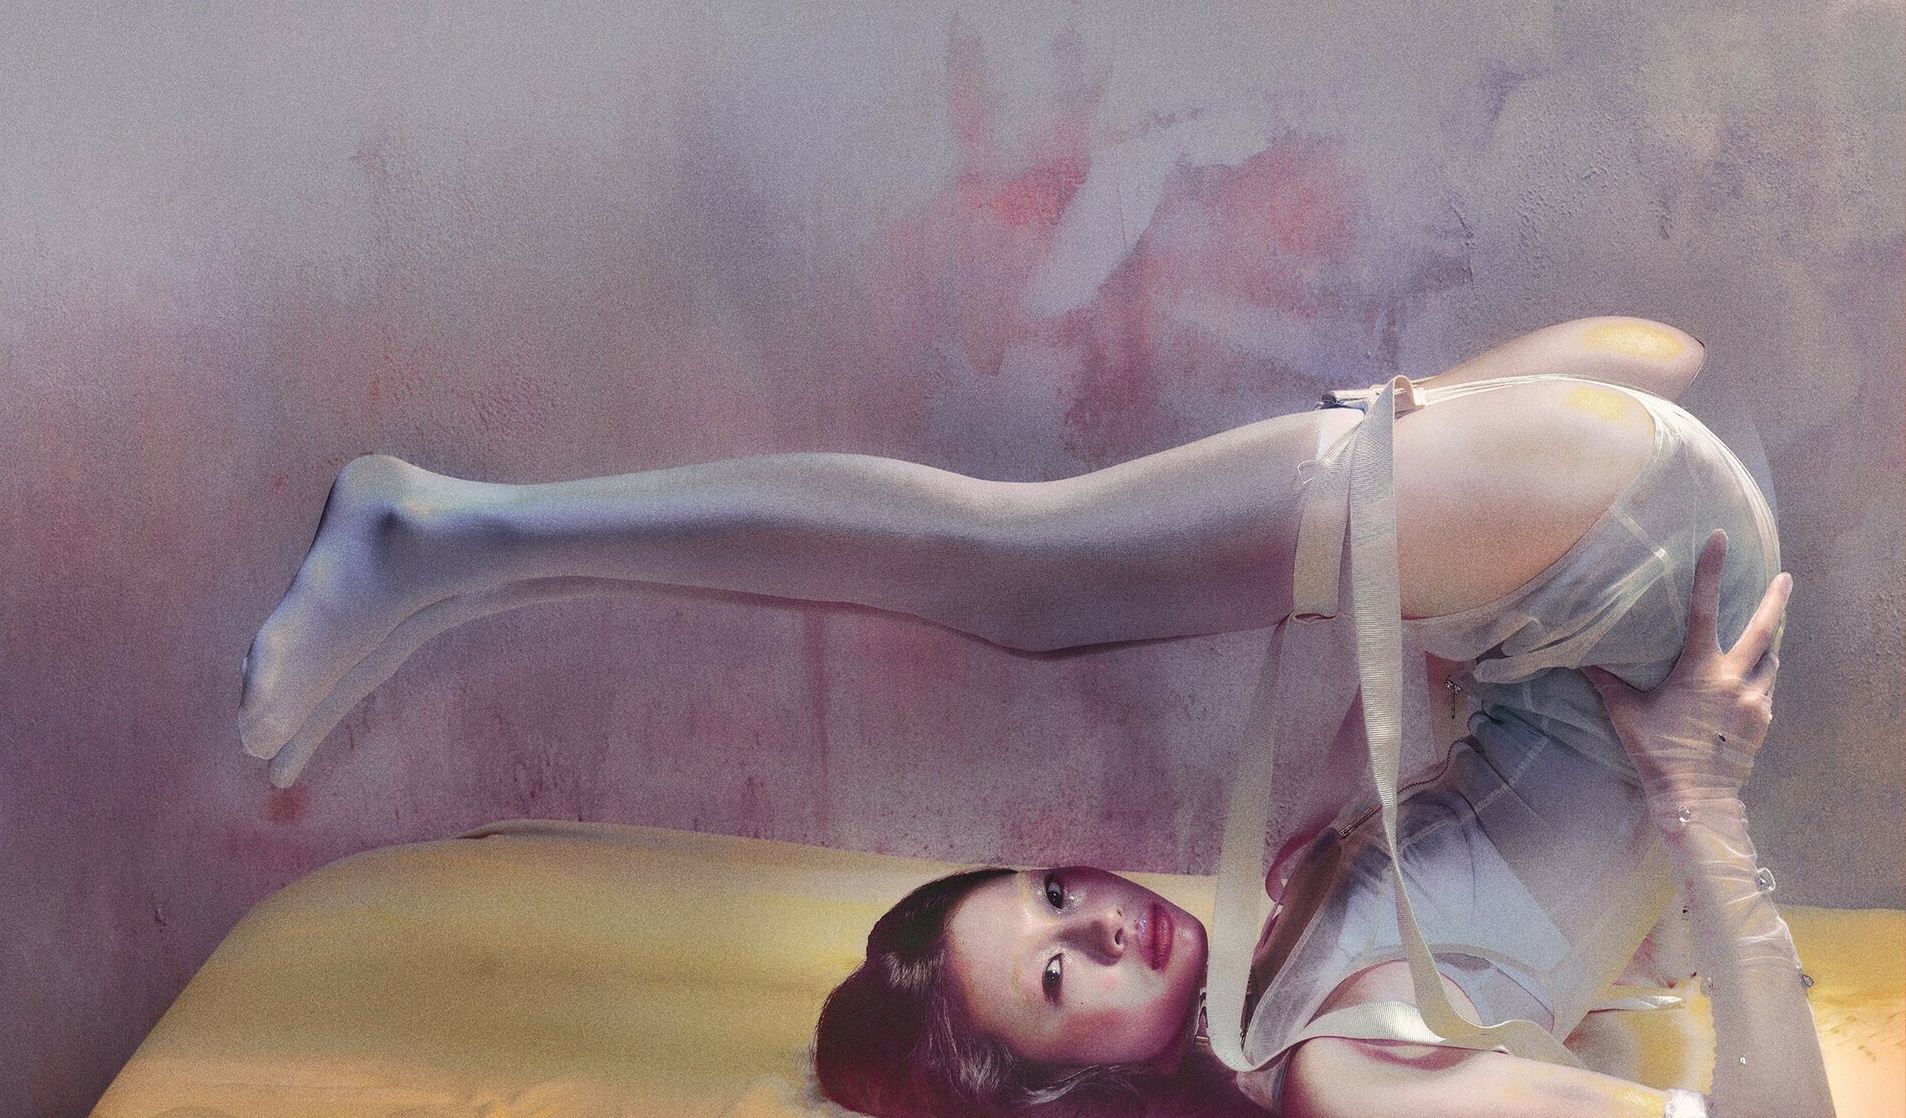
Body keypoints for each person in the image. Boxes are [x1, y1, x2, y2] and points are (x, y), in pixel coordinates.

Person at [237, 316, 1832, 1117]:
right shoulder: (1337, 1077)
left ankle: (440, 536)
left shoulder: (1289, 1019)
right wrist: (1696, 809)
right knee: (1025, 572)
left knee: (1030, 570)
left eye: (1054, 895)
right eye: (1062, 974)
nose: (1104, 921)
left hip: (1618, 549)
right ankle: (433, 539)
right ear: (1067, 1092)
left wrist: (1656, 800)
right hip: (1623, 546)